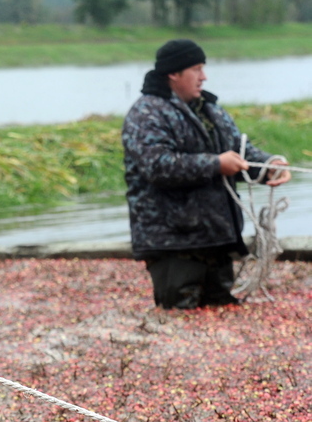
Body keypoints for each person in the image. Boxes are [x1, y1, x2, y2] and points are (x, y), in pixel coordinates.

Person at [121, 39, 291, 309]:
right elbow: (157, 166)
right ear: (173, 74)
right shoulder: (146, 113)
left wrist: (270, 165)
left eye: (203, 68)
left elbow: (238, 152)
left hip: (216, 238)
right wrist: (215, 164)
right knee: (178, 316)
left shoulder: (211, 110)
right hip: (173, 242)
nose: (204, 76)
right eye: (196, 69)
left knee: (221, 312)